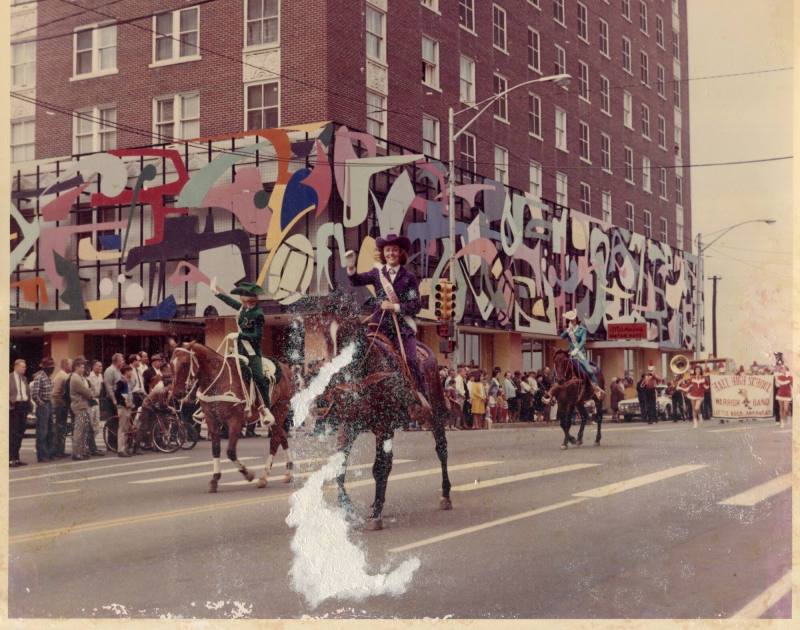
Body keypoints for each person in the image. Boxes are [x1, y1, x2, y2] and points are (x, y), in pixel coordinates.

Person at [344, 234, 428, 408]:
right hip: (379, 325)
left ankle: (420, 396)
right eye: (388, 250)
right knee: (359, 353)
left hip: (402, 327)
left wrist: (395, 307)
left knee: (411, 360)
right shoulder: (377, 274)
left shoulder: (409, 277)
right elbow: (356, 281)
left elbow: (416, 305)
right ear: (383, 253)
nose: (391, 253)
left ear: (400, 252)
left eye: (394, 250)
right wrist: (351, 267)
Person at [211, 280, 273, 425]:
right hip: (239, 349)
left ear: (248, 298)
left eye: (242, 295)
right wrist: (217, 293)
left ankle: (266, 408)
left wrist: (240, 335)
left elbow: (258, 336)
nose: (239, 298)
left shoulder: (258, 314)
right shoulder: (243, 309)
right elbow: (229, 301)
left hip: (252, 351)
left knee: (258, 376)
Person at [560, 311, 604, 399]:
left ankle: (596, 388)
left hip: (580, 355)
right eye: (571, 320)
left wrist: (576, 350)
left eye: (573, 319)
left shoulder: (582, 329)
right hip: (570, 355)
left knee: (589, 371)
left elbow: (583, 341)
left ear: (576, 320)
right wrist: (568, 330)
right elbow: (562, 337)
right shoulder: (569, 330)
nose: (572, 321)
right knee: (559, 370)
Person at [68, 358, 96, 461]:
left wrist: (90, 392)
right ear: (76, 367)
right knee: (79, 431)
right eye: (82, 367)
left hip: (83, 405)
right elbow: (87, 392)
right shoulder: (75, 378)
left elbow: (90, 390)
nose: (83, 369)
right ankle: (76, 453)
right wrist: (91, 392)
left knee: (84, 430)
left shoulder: (80, 377)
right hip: (79, 406)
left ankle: (82, 451)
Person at [30, 357, 56, 462]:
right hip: (43, 404)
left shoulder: (48, 377)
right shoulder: (39, 377)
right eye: (50, 367)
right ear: (45, 367)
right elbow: (35, 394)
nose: (52, 369)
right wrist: (42, 404)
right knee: (42, 431)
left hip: (49, 403)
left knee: (51, 430)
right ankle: (42, 455)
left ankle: (49, 453)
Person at [9, 359, 32, 467]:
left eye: (25, 367)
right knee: (13, 433)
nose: (24, 368)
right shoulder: (9, 378)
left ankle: (17, 458)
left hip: (23, 406)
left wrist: (29, 404)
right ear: (16, 366)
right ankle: (10, 458)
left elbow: (27, 393)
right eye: (23, 366)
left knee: (20, 433)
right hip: (14, 406)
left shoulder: (24, 379)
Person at [50, 358, 73, 458]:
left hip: (60, 406)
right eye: (70, 364)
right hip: (59, 407)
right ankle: (58, 451)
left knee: (61, 428)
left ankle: (60, 451)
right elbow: (55, 394)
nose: (71, 367)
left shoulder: (63, 375)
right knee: (59, 429)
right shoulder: (62, 376)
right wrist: (63, 404)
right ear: (65, 365)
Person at [84, 360, 106, 456]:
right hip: (90, 400)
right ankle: (89, 446)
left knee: (96, 425)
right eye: (98, 366)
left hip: (97, 400)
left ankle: (92, 445)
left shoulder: (101, 376)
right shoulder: (90, 376)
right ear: (93, 367)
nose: (100, 368)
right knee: (90, 424)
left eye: (101, 366)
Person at [115, 364, 136, 457]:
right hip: (123, 407)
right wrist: (125, 403)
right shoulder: (121, 381)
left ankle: (125, 448)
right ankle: (121, 449)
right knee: (123, 428)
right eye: (130, 371)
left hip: (128, 407)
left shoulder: (127, 381)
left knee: (127, 428)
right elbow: (118, 394)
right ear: (126, 371)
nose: (131, 372)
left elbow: (128, 394)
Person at [101, 354, 124, 423]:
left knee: (118, 420)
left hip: (119, 398)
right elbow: (109, 387)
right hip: (112, 399)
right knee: (113, 421)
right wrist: (114, 400)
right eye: (122, 360)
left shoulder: (118, 371)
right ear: (117, 361)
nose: (123, 362)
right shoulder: (110, 370)